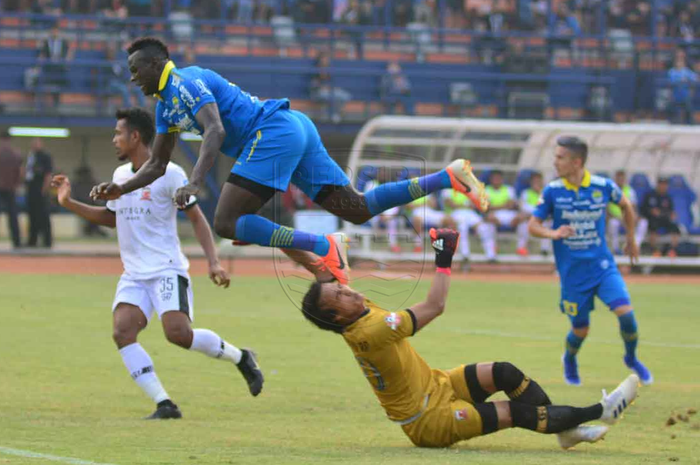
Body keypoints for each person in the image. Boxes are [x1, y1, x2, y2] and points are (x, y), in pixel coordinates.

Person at [90, 37, 488, 286]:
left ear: (155, 64)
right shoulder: (164, 106)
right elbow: (157, 164)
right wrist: (120, 187)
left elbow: (215, 130)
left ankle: (323, 245)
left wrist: (196, 181)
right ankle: (447, 176)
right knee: (358, 209)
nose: (131, 78)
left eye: (134, 69)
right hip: (293, 128)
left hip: (274, 133)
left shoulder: (185, 81)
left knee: (227, 222)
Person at [299, 228, 640, 449]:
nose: (348, 289)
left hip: (438, 385)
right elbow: (436, 305)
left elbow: (324, 272)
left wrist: (292, 241)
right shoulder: (371, 329)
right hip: (428, 421)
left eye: (342, 287)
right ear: (336, 317)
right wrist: (443, 257)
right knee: (517, 412)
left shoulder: (352, 311)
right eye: (340, 295)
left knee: (504, 372)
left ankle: (563, 428)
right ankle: (601, 411)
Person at [52, 108, 264, 419]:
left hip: (166, 268)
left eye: (117, 134)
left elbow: (196, 217)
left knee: (178, 334)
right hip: (135, 273)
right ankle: (165, 404)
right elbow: (111, 219)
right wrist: (69, 203)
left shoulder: (171, 174)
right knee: (122, 332)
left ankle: (241, 357)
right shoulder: (120, 176)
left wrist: (214, 262)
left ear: (135, 137)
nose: (114, 140)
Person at [528, 136, 653, 386]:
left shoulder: (602, 186)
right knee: (580, 330)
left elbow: (626, 206)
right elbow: (533, 225)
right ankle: (570, 359)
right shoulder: (553, 191)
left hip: (602, 267)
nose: (555, 162)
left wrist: (630, 237)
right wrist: (553, 233)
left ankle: (631, 358)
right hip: (573, 274)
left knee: (627, 315)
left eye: (560, 157)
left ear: (577, 162)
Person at [481, 170, 524, 260]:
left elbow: (511, 204)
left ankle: (521, 248)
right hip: (494, 215)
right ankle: (492, 251)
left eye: (498, 178)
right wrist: (503, 205)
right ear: (491, 180)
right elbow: (486, 207)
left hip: (508, 214)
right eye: (494, 178)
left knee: (522, 218)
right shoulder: (485, 190)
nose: (497, 180)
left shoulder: (509, 189)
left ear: (502, 179)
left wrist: (494, 206)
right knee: (488, 222)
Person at [608, 170, 646, 254]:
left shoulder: (629, 190)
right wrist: (618, 217)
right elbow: (607, 209)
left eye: (622, 179)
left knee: (643, 222)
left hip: (627, 217)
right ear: (615, 179)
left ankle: (635, 246)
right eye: (619, 178)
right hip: (615, 218)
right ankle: (616, 249)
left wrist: (633, 217)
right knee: (613, 223)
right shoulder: (610, 190)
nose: (620, 180)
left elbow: (633, 207)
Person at [641, 178, 681, 257]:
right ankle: (655, 251)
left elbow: (671, 210)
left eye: (665, 185)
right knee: (653, 228)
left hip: (665, 219)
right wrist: (651, 211)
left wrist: (672, 214)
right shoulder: (650, 195)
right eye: (661, 184)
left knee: (676, 229)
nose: (663, 186)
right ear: (658, 185)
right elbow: (643, 209)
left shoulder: (668, 197)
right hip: (653, 219)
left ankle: (671, 250)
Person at [25, 138, 54, 248]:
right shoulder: (31, 157)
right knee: (32, 216)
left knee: (43, 216)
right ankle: (32, 240)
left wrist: (44, 189)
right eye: (33, 144)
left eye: (36, 143)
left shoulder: (45, 157)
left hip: (41, 190)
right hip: (31, 189)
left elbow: (48, 174)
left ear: (41, 144)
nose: (34, 145)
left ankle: (47, 241)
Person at [0, 130, 24, 249]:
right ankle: (17, 243)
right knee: (13, 216)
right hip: (10, 188)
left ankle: (17, 242)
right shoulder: (16, 154)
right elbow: (20, 172)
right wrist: (16, 184)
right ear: (9, 140)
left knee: (13, 216)